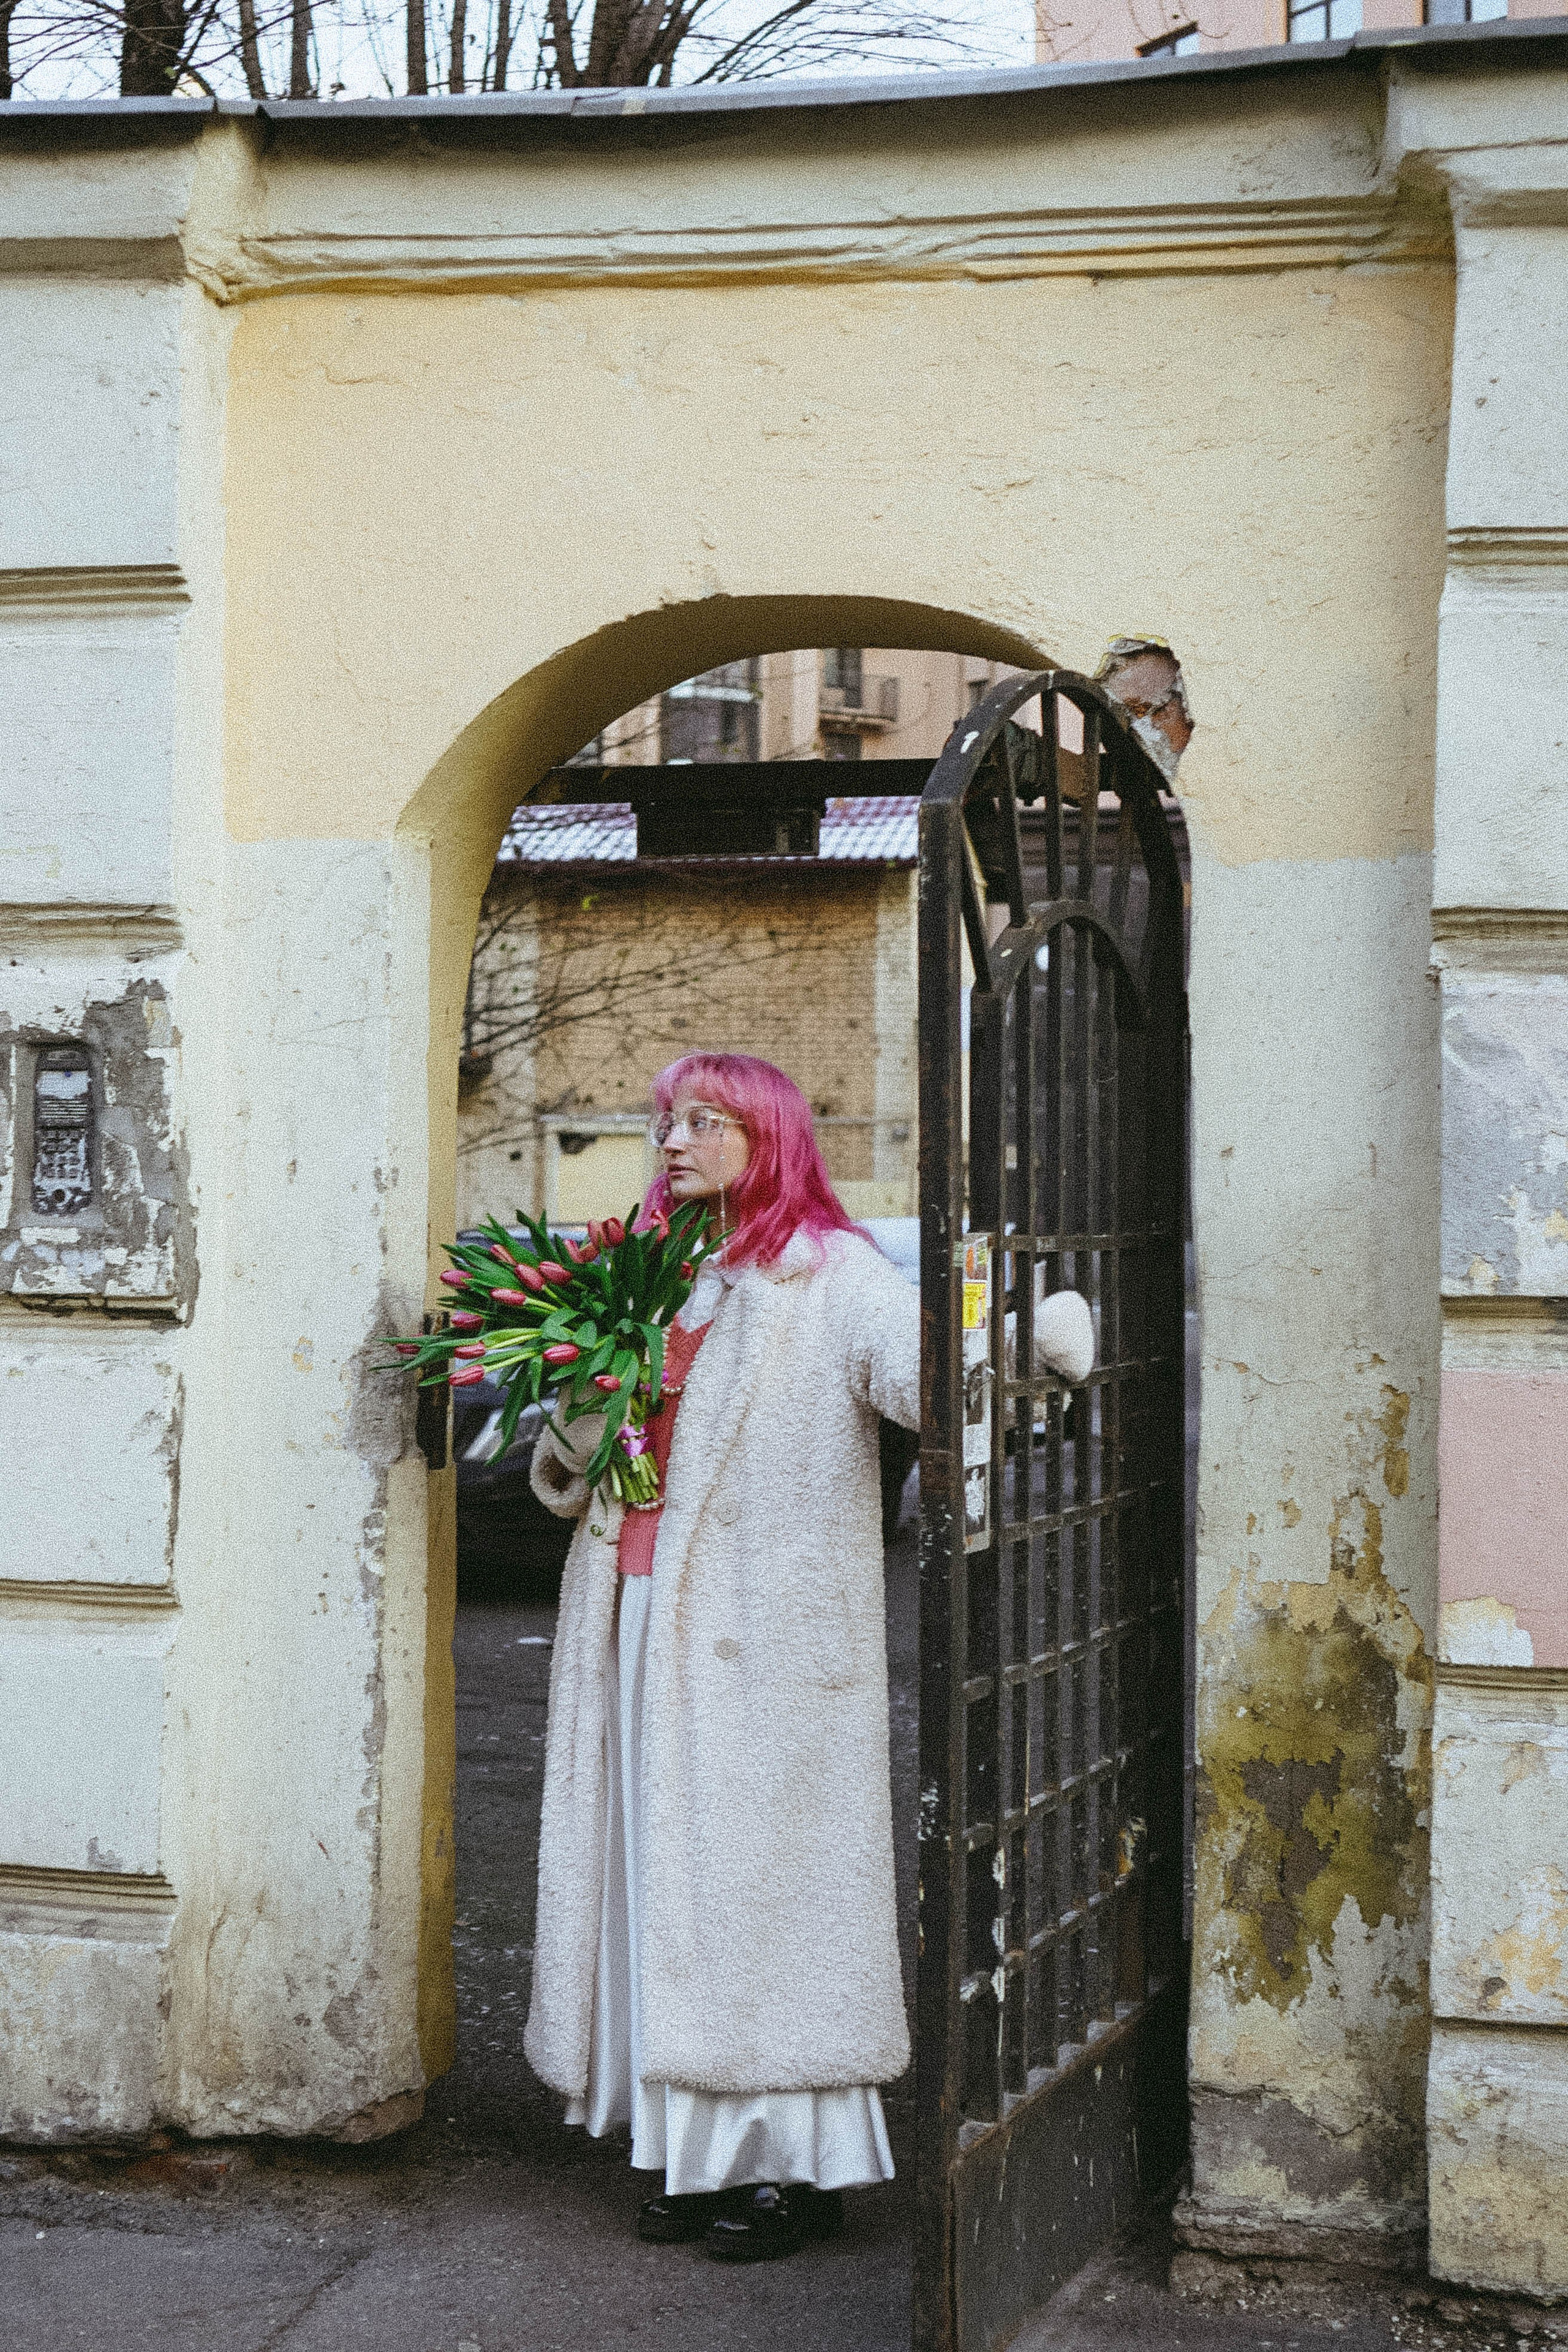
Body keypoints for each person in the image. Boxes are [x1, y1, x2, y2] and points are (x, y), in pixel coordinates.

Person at [524, 1050, 1093, 2263]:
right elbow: (597, 1444)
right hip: (632, 1616)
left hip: (764, 1644)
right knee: (654, 1880)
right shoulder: (660, 1272)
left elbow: (921, 1376)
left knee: (762, 1900)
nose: (673, 1141)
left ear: (767, 1136)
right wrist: (582, 1390)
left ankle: (794, 2171)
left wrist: (1016, 1350)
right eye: (667, 1121)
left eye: (704, 1121)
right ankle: (685, 2154)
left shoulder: (828, 1273)